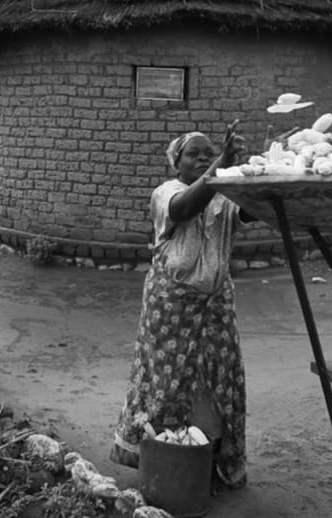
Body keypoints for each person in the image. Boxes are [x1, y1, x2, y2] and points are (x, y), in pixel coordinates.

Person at [110, 122, 255, 492]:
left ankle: (211, 457)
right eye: (194, 153)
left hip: (216, 300)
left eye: (209, 152)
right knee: (168, 377)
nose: (203, 157)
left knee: (220, 377)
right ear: (177, 163)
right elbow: (184, 208)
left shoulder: (225, 196)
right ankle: (164, 459)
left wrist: (259, 180)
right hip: (171, 302)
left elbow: (251, 214)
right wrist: (220, 165)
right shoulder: (167, 192)